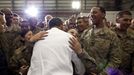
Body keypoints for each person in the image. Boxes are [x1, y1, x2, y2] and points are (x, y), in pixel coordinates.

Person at [79, 6, 122, 75]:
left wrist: (103, 74)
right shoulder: (85, 33)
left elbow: (115, 61)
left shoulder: (111, 35)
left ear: (103, 15)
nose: (91, 15)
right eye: (90, 13)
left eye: (95, 12)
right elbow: (80, 52)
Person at [113, 11, 134, 75]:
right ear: (117, 20)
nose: (128, 23)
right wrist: (110, 71)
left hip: (127, 71)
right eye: (125, 20)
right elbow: (100, 56)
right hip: (110, 71)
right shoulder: (108, 34)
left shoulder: (132, 35)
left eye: (130, 20)